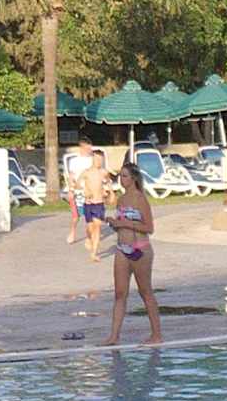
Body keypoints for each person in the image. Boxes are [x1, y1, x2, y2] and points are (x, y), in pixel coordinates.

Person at [101, 162, 163, 347]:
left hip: (140, 248)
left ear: (134, 178)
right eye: (120, 176)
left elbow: (149, 227)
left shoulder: (140, 199)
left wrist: (124, 223)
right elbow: (122, 224)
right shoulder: (121, 200)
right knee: (120, 293)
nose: (121, 179)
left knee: (145, 291)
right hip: (122, 249)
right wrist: (114, 223)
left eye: (125, 176)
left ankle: (156, 334)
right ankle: (114, 336)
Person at [77, 152, 114, 261]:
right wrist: (85, 190)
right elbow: (78, 184)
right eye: (97, 160)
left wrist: (111, 192)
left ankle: (94, 253)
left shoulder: (103, 172)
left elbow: (108, 182)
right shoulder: (86, 172)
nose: (99, 162)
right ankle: (89, 238)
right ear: (93, 159)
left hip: (99, 203)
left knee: (97, 226)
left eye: (101, 160)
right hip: (88, 203)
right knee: (90, 227)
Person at [64, 138, 95, 244]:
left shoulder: (93, 160)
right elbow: (71, 177)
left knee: (90, 216)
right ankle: (72, 232)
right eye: (87, 148)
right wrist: (70, 190)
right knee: (75, 217)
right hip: (78, 191)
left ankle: (90, 236)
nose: (89, 150)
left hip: (90, 191)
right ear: (82, 147)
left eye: (90, 148)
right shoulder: (74, 161)